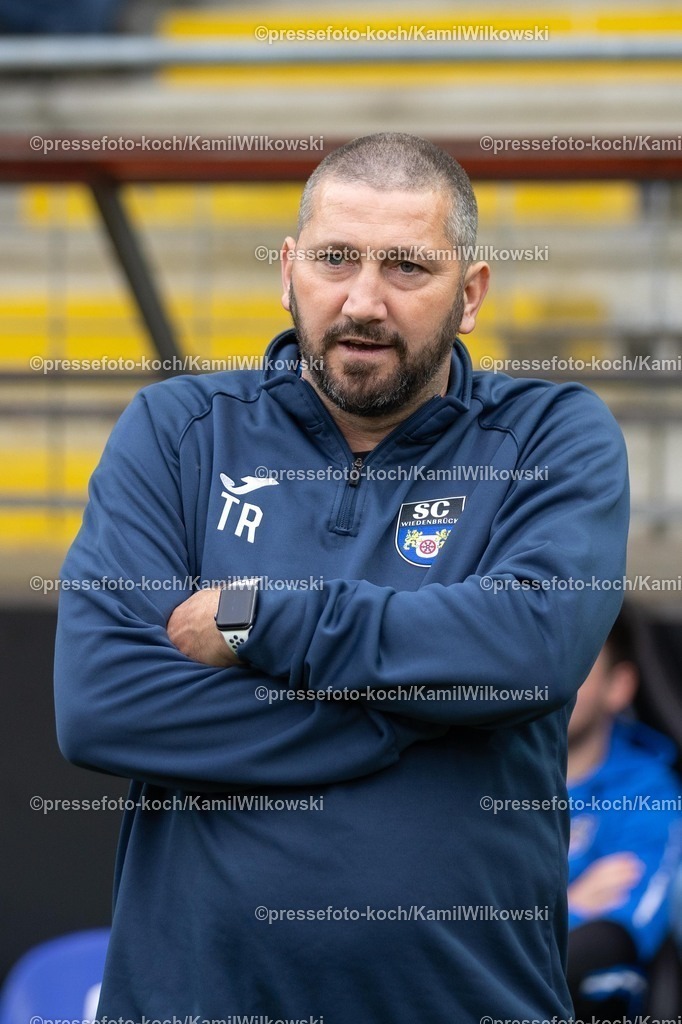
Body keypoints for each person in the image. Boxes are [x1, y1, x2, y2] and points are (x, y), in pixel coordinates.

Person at [54, 132, 630, 1022]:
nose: (364, 301)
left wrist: (261, 620)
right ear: (288, 272)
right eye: (335, 259)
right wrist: (401, 715)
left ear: (470, 294)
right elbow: (103, 702)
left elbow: (530, 648)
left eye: (407, 266)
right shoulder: (178, 431)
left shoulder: (552, 436)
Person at [567, 610, 682, 1017]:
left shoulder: (647, 791)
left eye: (576, 664)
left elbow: (623, 930)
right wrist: (570, 905)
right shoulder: (482, 778)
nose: (551, 678)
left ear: (619, 686)